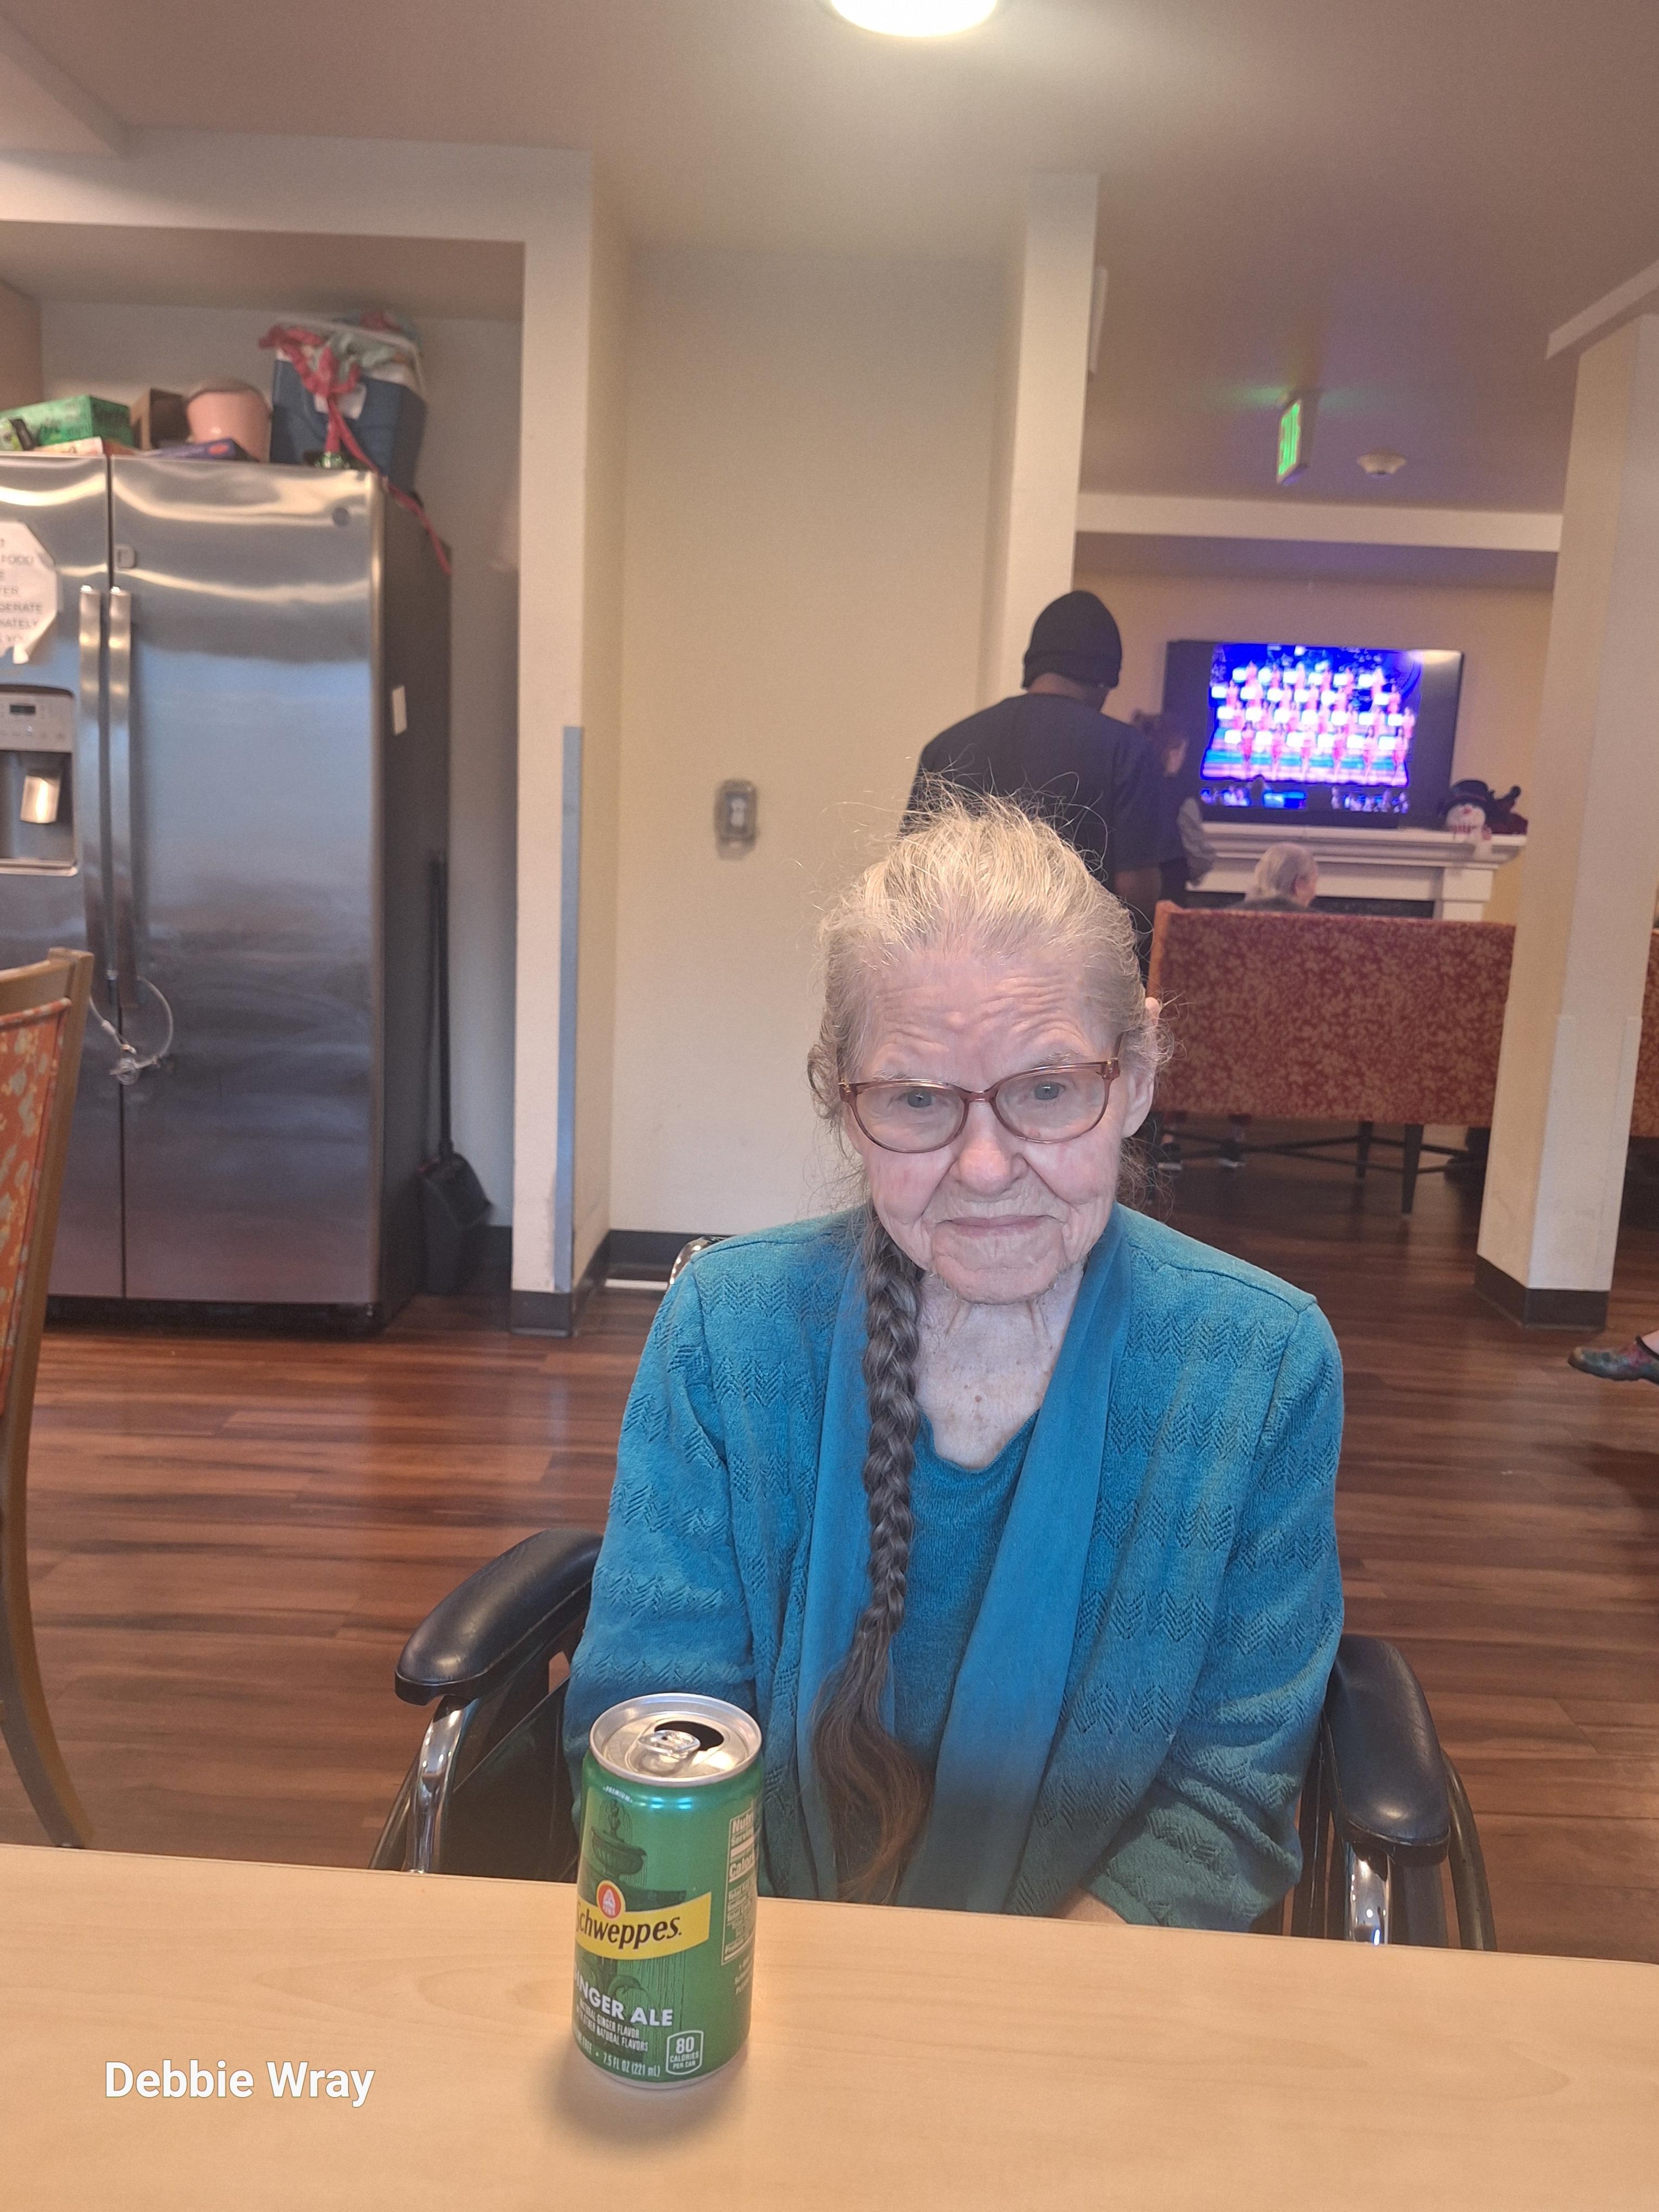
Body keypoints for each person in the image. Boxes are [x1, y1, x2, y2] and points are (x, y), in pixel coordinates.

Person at [565, 798, 1344, 1927]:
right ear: (847, 1103)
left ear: (1131, 1080)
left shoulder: (1260, 1365)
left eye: (1046, 1091)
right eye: (920, 1100)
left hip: (1079, 2014)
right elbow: (655, 1722)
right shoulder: (726, 1330)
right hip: (752, 1973)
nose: (985, 1168)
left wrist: (1008, 2028)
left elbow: (1231, 1785)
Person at [906, 591, 1165, 933]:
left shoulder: (944, 747)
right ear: (1104, 679)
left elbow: (911, 875)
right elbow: (1136, 895)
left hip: (956, 959)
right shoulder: (1127, 751)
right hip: (1073, 967)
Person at [1130, 709, 1215, 908]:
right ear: (1172, 750)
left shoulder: (1123, 788)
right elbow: (1200, 858)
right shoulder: (1182, 799)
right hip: (1166, 904)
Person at [1243, 841, 1319, 910]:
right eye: (1314, 881)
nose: (1314, 895)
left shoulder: (1233, 918)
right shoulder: (1319, 923)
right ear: (1300, 884)